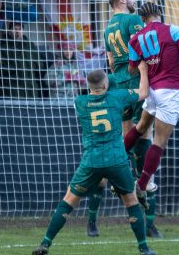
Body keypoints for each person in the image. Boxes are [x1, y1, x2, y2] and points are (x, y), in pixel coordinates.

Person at [32, 67, 156, 255]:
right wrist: (143, 70)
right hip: (116, 159)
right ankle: (144, 248)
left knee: (69, 201)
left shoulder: (79, 102)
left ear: (88, 86)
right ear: (106, 84)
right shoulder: (117, 97)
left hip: (91, 161)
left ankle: (45, 244)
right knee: (131, 201)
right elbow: (144, 92)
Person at [123, 2, 179, 203]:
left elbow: (132, 70)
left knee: (141, 127)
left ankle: (114, 156)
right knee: (159, 141)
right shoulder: (174, 30)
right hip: (169, 90)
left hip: (151, 90)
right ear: (160, 13)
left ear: (142, 19)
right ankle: (142, 185)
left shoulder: (135, 39)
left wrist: (146, 63)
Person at [87, 0, 148, 238]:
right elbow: (142, 49)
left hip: (115, 82)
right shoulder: (133, 20)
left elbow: (110, 61)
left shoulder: (106, 27)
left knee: (122, 135)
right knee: (144, 135)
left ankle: (91, 222)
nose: (134, 1)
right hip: (135, 79)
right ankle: (140, 186)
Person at [0, 22, 45, 98]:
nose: (17, 31)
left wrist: (31, 66)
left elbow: (40, 64)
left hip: (30, 89)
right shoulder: (3, 47)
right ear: (9, 31)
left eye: (20, 29)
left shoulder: (30, 45)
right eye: (15, 29)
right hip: (12, 90)